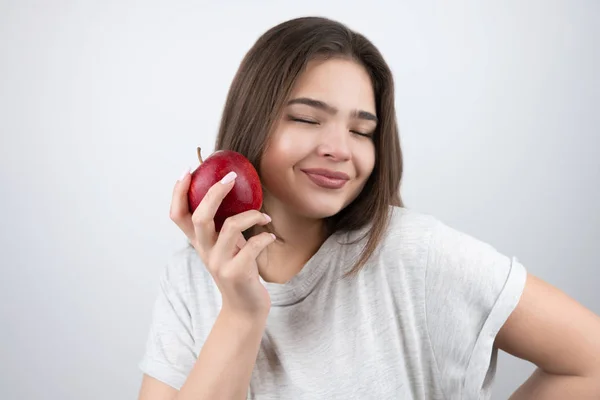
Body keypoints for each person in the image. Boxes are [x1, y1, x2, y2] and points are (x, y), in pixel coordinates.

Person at [137, 16, 600, 400]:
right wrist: (240, 313)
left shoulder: (415, 254)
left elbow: (591, 361)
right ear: (252, 121)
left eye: (361, 131)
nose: (340, 149)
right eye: (307, 118)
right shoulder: (189, 280)